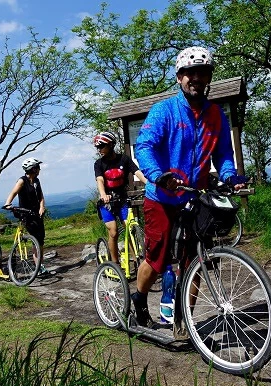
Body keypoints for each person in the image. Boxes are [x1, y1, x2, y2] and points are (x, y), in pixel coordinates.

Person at [133, 46, 246, 328]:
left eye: (203, 73)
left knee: (195, 259)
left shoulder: (216, 114)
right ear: (179, 77)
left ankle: (184, 320)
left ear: (208, 78)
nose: (196, 78)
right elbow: (145, 146)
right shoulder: (164, 111)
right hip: (161, 196)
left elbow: (223, 154)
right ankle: (138, 298)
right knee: (157, 260)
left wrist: (230, 176)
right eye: (190, 73)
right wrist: (159, 175)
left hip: (195, 197)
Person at [93, 131, 147, 264]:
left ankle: (137, 261)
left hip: (122, 200)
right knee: (113, 232)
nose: (99, 150)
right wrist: (103, 195)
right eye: (97, 147)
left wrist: (149, 184)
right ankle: (115, 264)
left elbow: (137, 172)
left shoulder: (124, 159)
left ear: (111, 145)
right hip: (107, 203)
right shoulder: (99, 164)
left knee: (129, 229)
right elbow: (99, 180)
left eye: (102, 146)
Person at [4, 157, 50, 276]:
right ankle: (38, 267)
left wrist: (42, 207)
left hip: (37, 213)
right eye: (37, 167)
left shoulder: (36, 181)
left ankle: (40, 265)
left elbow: (41, 196)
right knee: (35, 239)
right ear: (33, 169)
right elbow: (13, 193)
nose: (39, 169)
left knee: (40, 241)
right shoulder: (22, 181)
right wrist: (7, 204)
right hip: (25, 213)